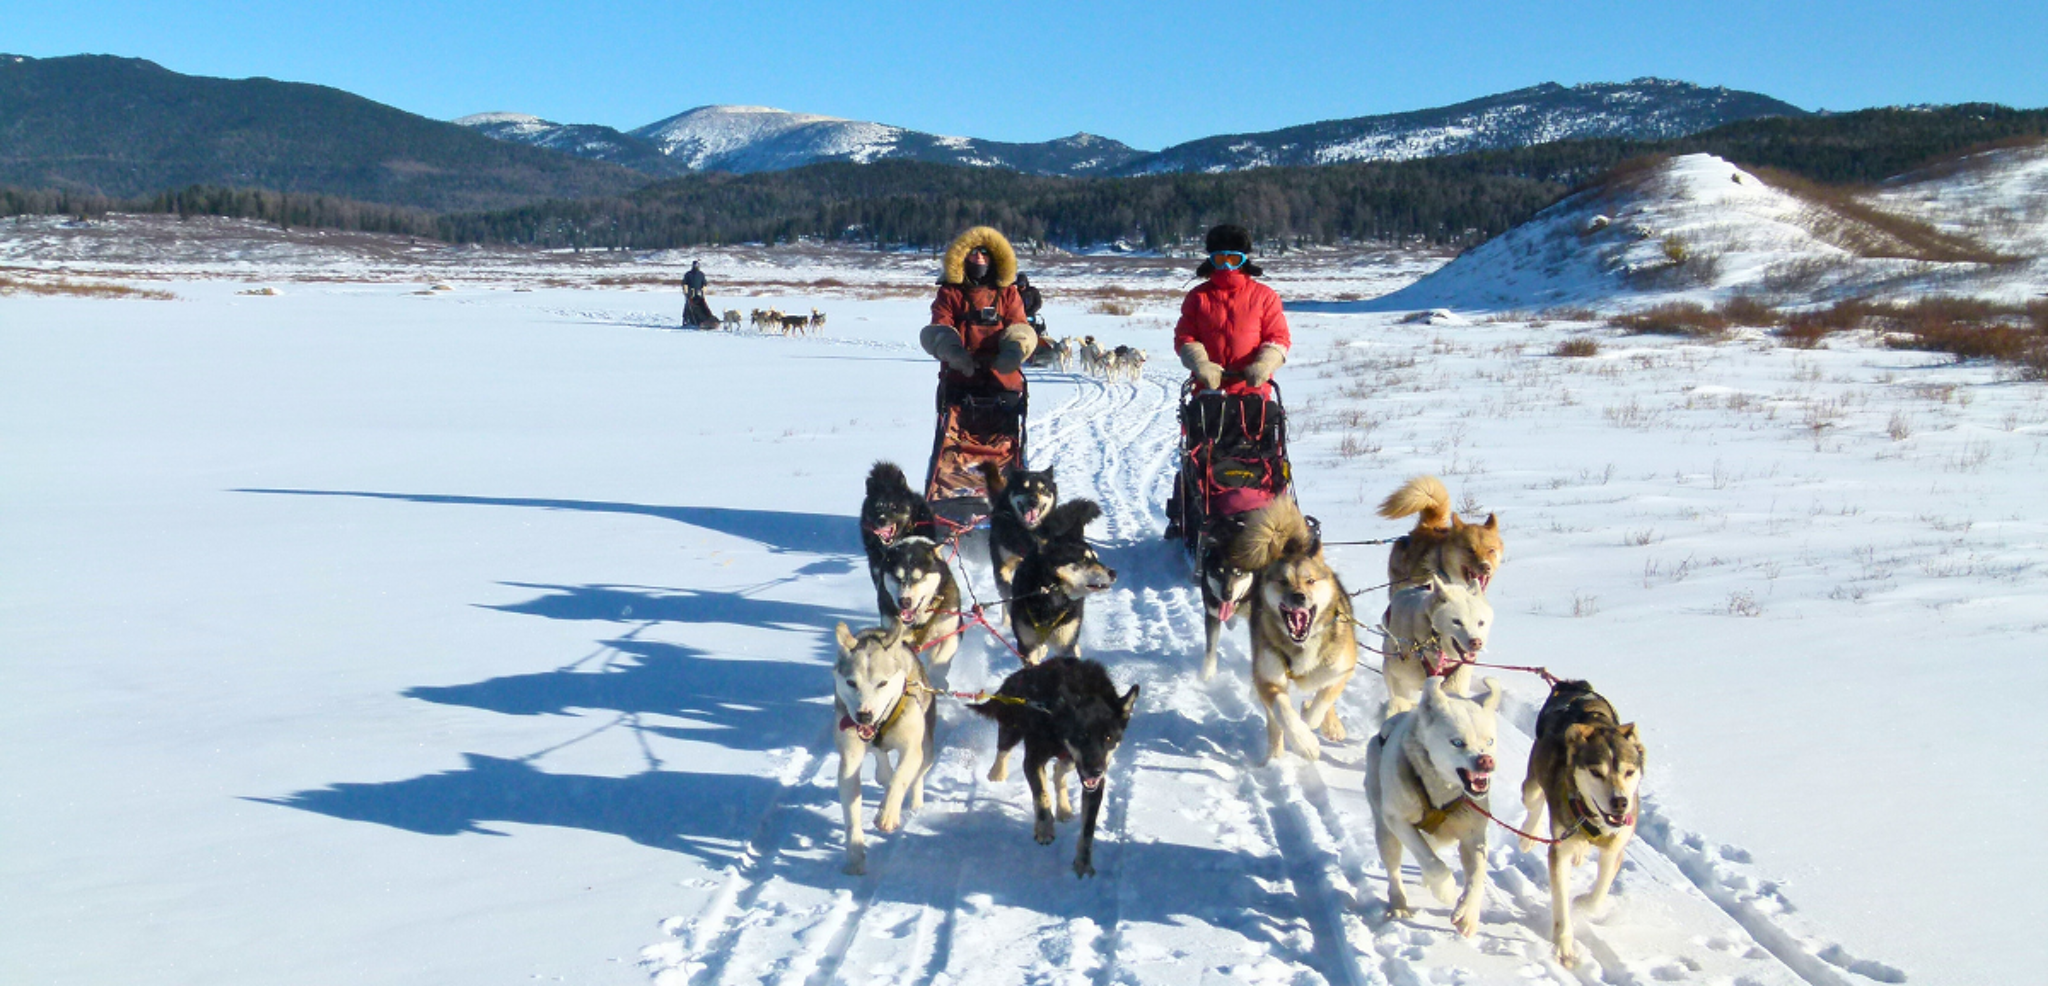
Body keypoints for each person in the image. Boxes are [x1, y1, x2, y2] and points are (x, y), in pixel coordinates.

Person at [1165, 224, 1291, 539]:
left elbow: (1278, 337)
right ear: (1211, 259)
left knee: (1263, 456)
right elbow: (1185, 336)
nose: (1225, 266)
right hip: (1209, 395)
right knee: (1200, 457)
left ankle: (1270, 509)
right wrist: (1200, 362)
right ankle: (1188, 513)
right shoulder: (1198, 297)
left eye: (1232, 258)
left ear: (1243, 259)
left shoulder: (1264, 296)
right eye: (1219, 258)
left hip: (1255, 396)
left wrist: (1265, 362)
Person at [919, 227, 1036, 393]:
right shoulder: (951, 292)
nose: (979, 256)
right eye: (973, 252)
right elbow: (940, 325)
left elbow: (1018, 325)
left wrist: (1013, 351)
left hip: (1003, 379)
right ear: (963, 256)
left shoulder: (1008, 292)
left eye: (984, 252)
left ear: (995, 257)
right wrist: (953, 352)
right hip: (959, 376)